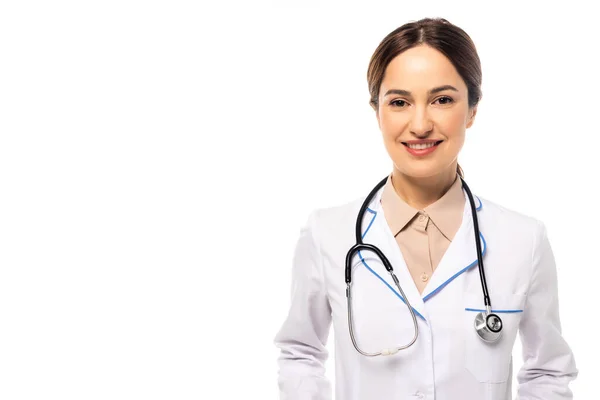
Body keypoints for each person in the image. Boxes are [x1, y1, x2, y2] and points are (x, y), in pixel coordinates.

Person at [274, 17, 578, 400]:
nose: (420, 124)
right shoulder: (326, 234)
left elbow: (547, 372)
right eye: (399, 102)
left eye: (442, 100)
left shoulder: (524, 240)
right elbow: (300, 352)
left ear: (472, 109)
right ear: (377, 111)